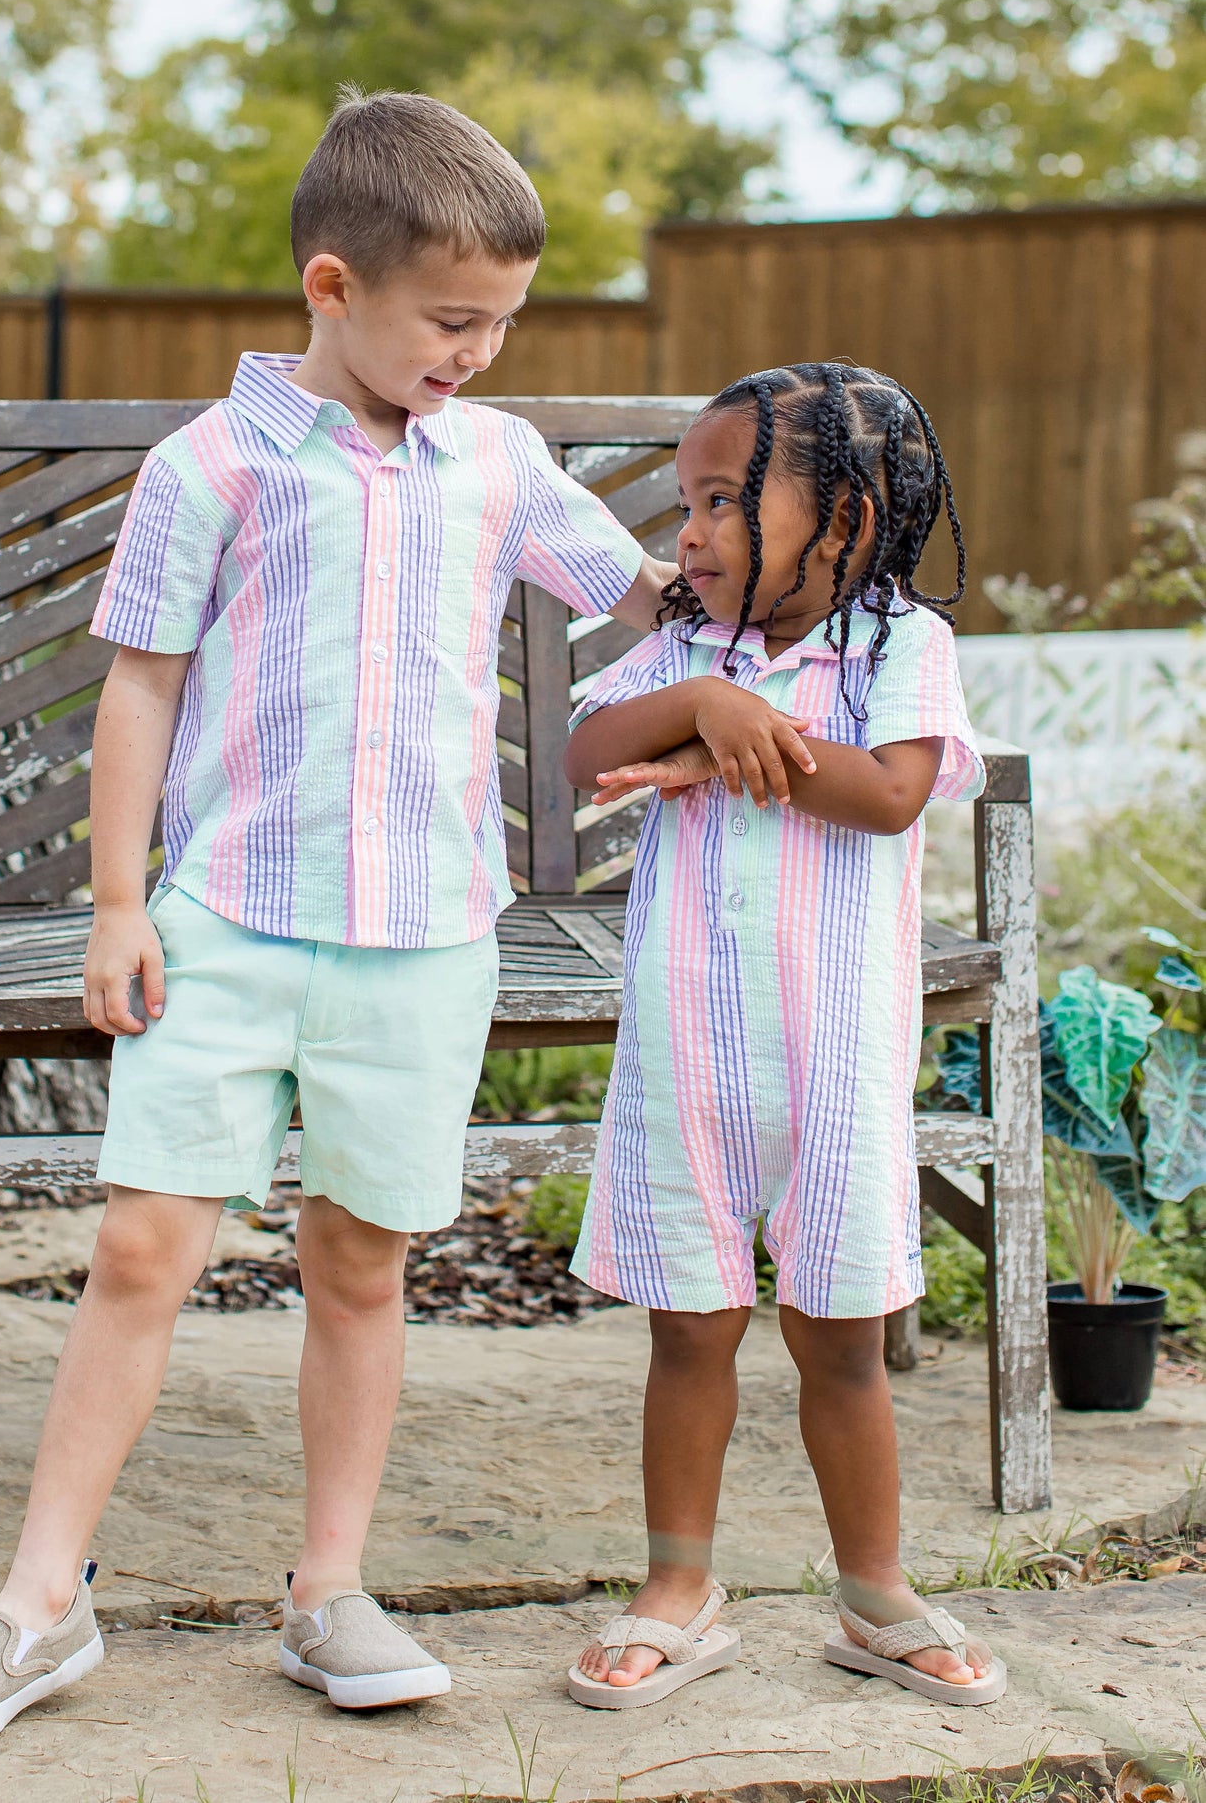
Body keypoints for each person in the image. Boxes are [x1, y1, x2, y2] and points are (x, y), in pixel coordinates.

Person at [0, 89, 675, 1754]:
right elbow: (139, 692)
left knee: (361, 1264)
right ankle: (39, 1603)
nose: (479, 353)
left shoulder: (499, 460)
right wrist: (112, 907)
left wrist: (789, 588)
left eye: (503, 324)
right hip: (228, 922)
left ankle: (326, 1589)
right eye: (452, 321)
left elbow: (647, 592)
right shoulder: (214, 464)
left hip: (428, 934)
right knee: (144, 1251)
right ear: (331, 287)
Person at [562, 362, 1007, 1712]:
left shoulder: (897, 650)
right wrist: (704, 709)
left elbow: (884, 797)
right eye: (683, 504)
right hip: (687, 1058)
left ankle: (872, 1593)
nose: (684, 537)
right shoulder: (688, 650)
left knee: (839, 1340)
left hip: (835, 1067)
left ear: (846, 530)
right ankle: (676, 1588)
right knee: (689, 1330)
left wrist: (743, 744)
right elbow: (589, 751)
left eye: (716, 504)